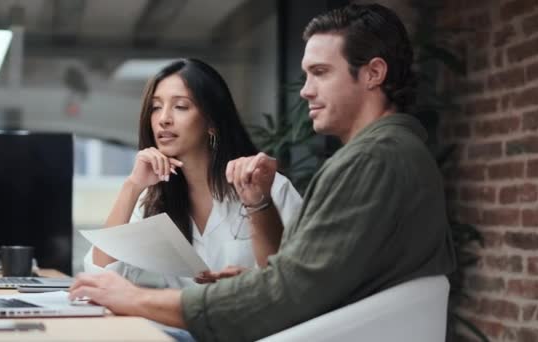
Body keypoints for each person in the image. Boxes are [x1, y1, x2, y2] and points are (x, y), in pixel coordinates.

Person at [70, 4, 457, 341]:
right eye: (156, 107)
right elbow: (300, 278)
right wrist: (133, 186)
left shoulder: (373, 161)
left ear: (373, 73)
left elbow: (289, 292)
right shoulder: (384, 155)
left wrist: (138, 299)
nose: (305, 91)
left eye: (320, 72)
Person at [83, 58, 302, 289]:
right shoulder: (154, 198)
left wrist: (248, 283)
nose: (163, 119)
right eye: (156, 107)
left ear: (211, 122)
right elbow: (101, 278)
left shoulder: (267, 187)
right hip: (184, 324)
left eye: (180, 106)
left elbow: (300, 279)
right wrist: (132, 186)